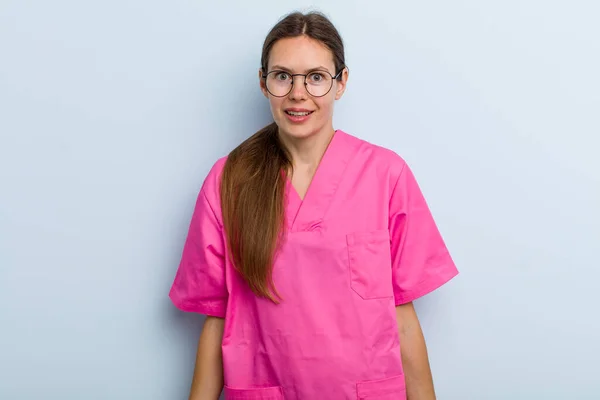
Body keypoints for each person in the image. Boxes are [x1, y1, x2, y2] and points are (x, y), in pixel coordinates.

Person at [169, 10, 458, 400]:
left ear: (341, 84)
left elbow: (402, 316)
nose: (298, 93)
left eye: (316, 77)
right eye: (282, 76)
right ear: (263, 83)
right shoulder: (229, 181)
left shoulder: (386, 175)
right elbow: (217, 319)